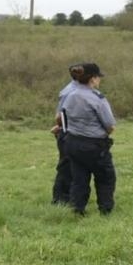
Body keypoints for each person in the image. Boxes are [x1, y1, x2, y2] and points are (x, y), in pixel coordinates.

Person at [61, 63, 117, 215]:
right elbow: (110, 125)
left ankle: (77, 210)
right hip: (94, 145)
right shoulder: (97, 98)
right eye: (98, 77)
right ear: (92, 79)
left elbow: (62, 116)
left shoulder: (69, 94)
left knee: (79, 178)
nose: (99, 80)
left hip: (72, 142)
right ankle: (105, 211)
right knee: (105, 177)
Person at [50, 64, 82, 204]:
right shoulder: (72, 92)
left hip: (68, 131)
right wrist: (61, 126)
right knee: (66, 166)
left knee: (70, 166)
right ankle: (60, 199)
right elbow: (60, 115)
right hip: (68, 133)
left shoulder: (72, 89)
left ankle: (68, 197)